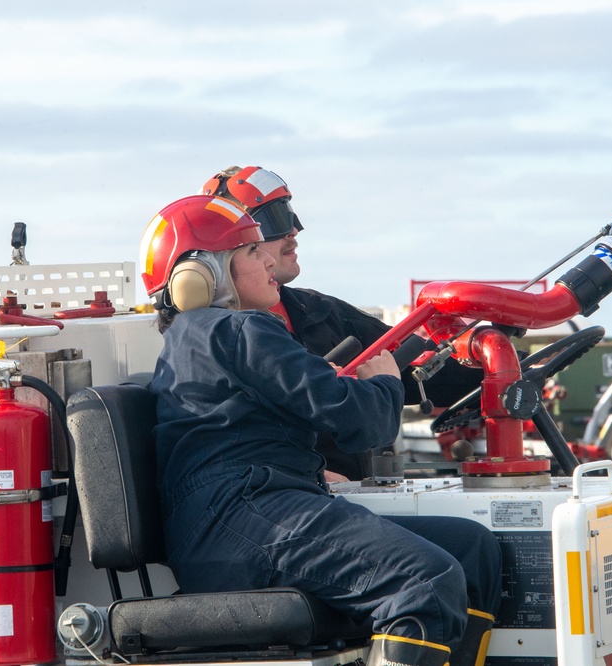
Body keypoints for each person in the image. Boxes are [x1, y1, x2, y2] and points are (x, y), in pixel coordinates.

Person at [140, 194, 502, 666]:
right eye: (251, 251)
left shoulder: (202, 337)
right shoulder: (239, 330)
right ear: (203, 274)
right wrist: (387, 383)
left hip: (238, 517)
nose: (269, 257)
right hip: (242, 514)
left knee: (472, 548)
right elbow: (362, 424)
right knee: (425, 580)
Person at [200, 166, 483, 480]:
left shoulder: (319, 312)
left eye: (290, 216)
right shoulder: (211, 341)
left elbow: (416, 369)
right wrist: (310, 478)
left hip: (342, 502)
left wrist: (507, 369)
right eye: (274, 221)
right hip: (294, 506)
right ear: (231, 245)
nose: (293, 231)